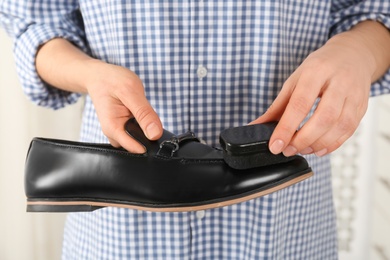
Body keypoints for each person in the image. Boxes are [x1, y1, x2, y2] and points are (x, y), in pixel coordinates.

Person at [1, 1, 389, 259]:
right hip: (121, 236)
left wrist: (359, 52)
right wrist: (89, 75)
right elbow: (36, 24)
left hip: (284, 229)